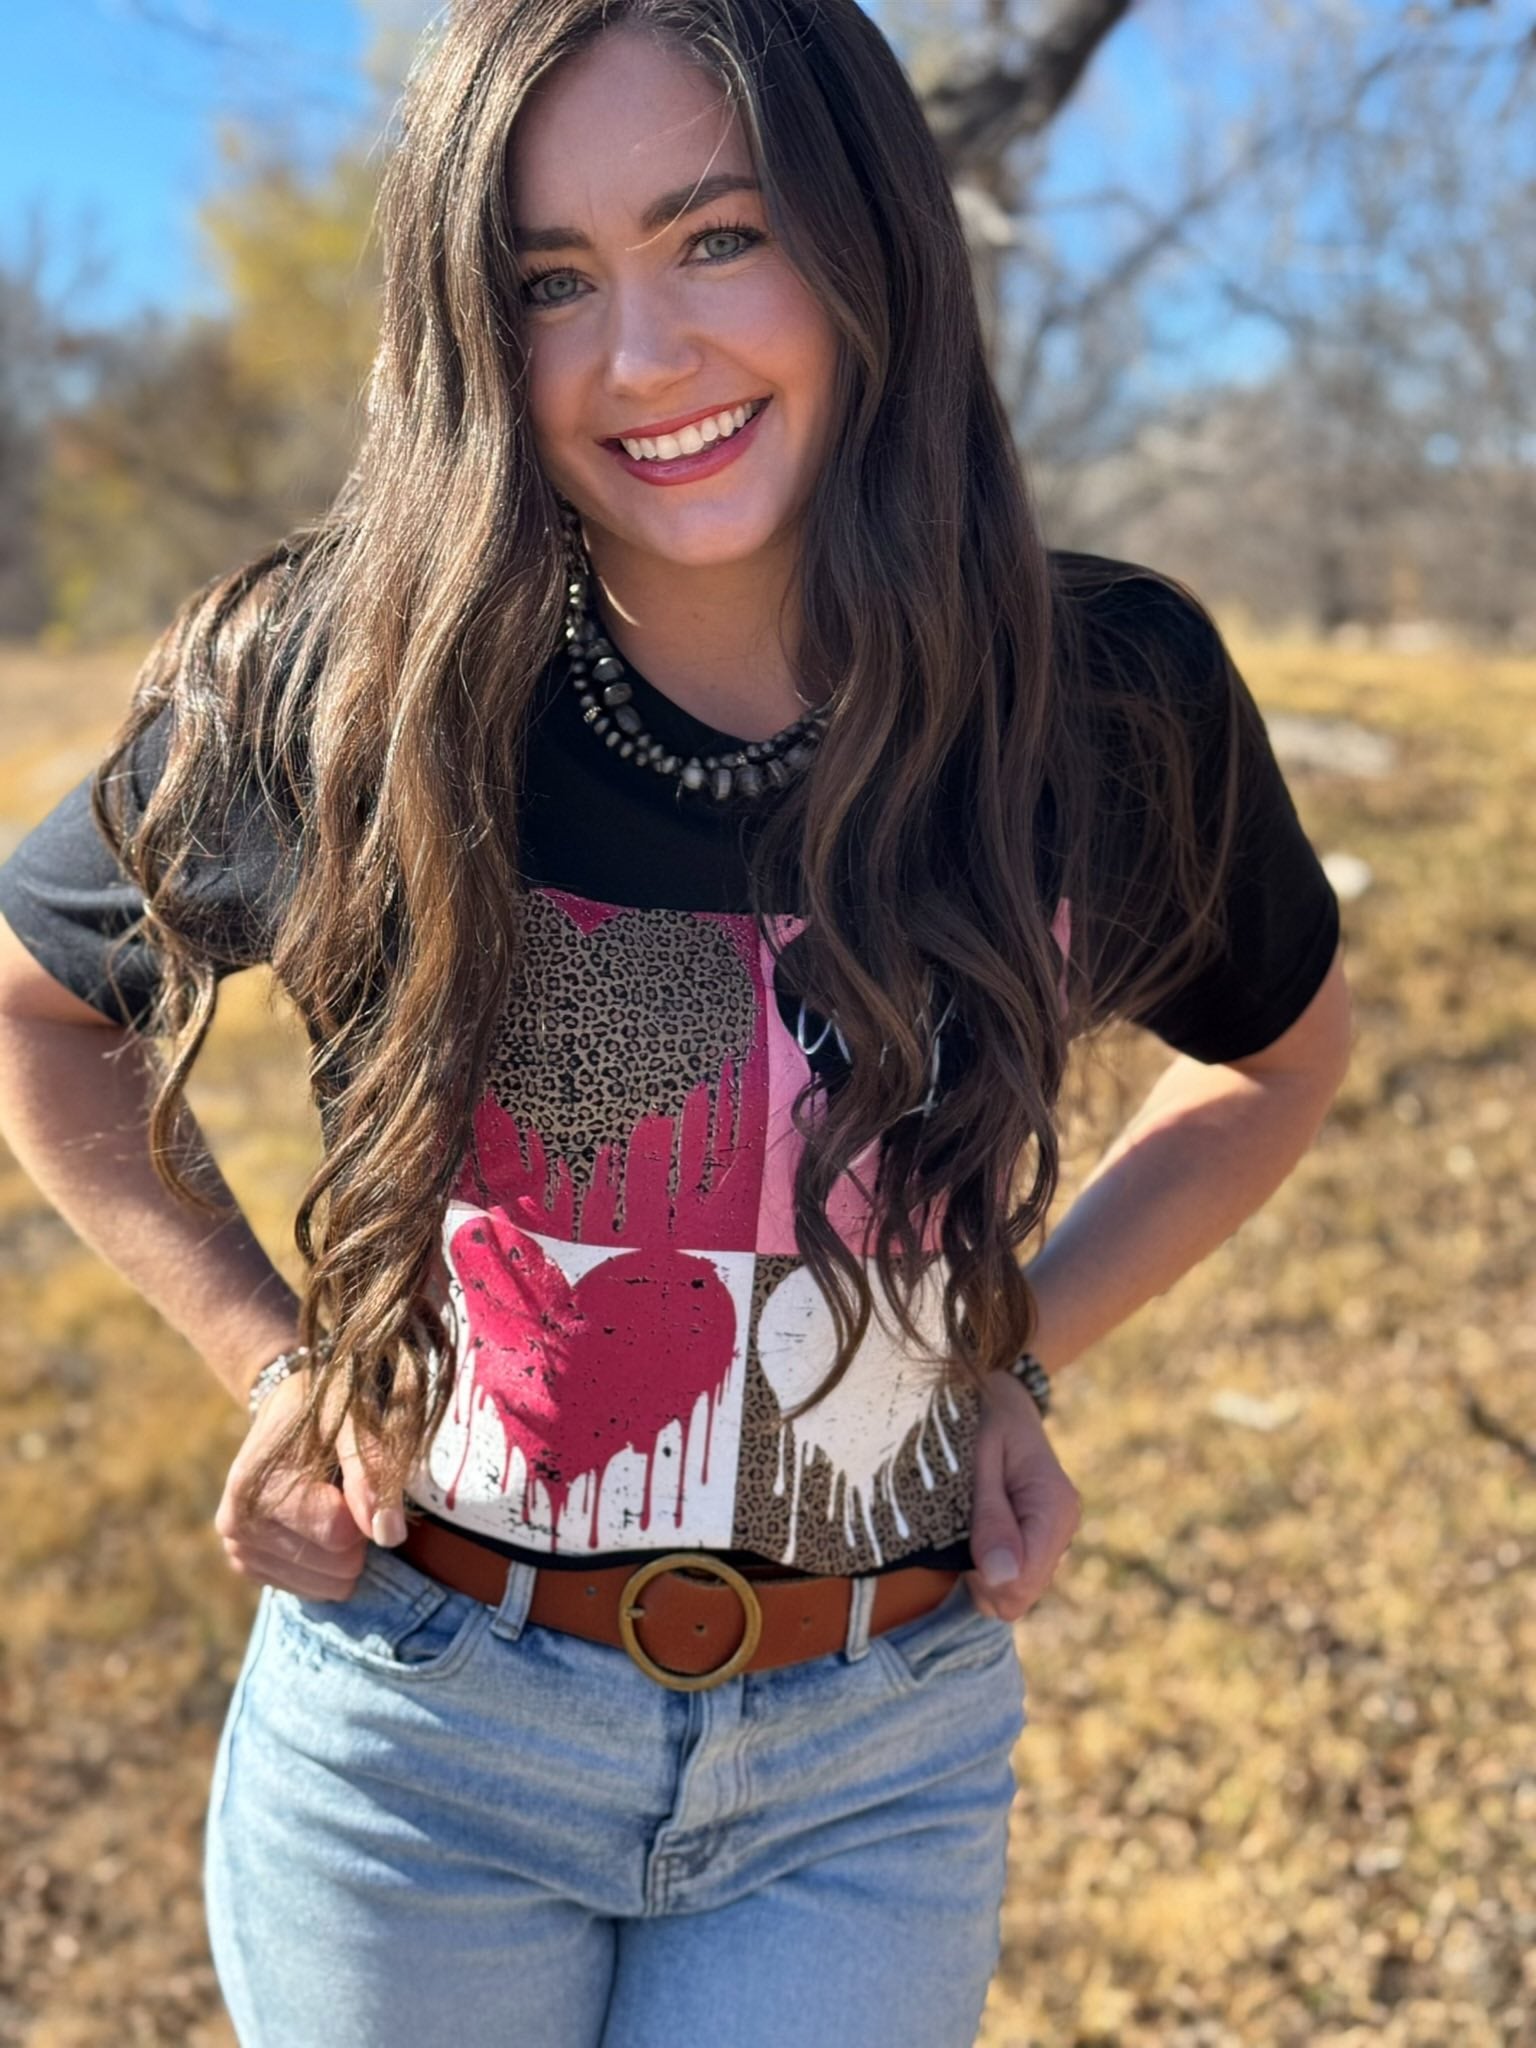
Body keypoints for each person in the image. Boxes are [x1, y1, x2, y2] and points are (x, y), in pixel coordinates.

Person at [0, 0, 1352, 2042]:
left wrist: (1008, 1350)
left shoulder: (1101, 694)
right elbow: (43, 1013)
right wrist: (264, 1353)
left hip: (870, 1756)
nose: (642, 357)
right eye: (549, 280)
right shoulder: (351, 673)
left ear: (870, 236)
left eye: (721, 236)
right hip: (422, 1736)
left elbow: (1276, 1058)